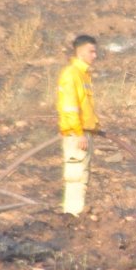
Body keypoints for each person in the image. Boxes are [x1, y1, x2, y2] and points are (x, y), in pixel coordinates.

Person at [57, 35, 100, 216]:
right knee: (75, 177)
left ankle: (76, 215)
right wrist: (79, 132)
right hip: (77, 135)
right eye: (91, 51)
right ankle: (72, 217)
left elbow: (84, 107)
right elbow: (69, 108)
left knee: (82, 177)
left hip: (85, 133)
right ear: (80, 51)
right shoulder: (71, 74)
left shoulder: (83, 74)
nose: (95, 55)